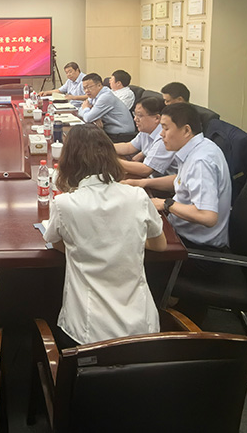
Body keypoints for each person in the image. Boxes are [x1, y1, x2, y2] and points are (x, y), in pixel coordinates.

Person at [43, 124, 167, 347]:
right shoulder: (137, 196)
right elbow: (159, 245)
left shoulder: (64, 204)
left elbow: (55, 242)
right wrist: (126, 238)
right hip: (140, 329)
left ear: (68, 161)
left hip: (86, 332)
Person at [123, 103, 231, 251]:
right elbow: (180, 180)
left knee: (127, 239)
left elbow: (208, 217)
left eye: (166, 128)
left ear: (186, 130)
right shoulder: (199, 146)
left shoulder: (201, 161)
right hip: (179, 228)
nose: (161, 134)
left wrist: (166, 204)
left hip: (192, 245)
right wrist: (143, 183)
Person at [113, 96, 177, 178]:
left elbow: (146, 170)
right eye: (135, 114)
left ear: (157, 118)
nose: (135, 119)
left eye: (139, 115)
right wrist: (104, 147)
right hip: (150, 177)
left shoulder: (163, 137)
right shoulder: (146, 130)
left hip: (164, 181)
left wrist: (111, 160)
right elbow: (129, 147)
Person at [78, 73, 136, 142]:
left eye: (89, 87)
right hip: (109, 131)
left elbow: (87, 117)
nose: (86, 91)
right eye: (84, 88)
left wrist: (86, 109)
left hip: (121, 135)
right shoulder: (93, 95)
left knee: (84, 140)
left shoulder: (105, 96)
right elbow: (80, 111)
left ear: (99, 85)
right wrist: (91, 114)